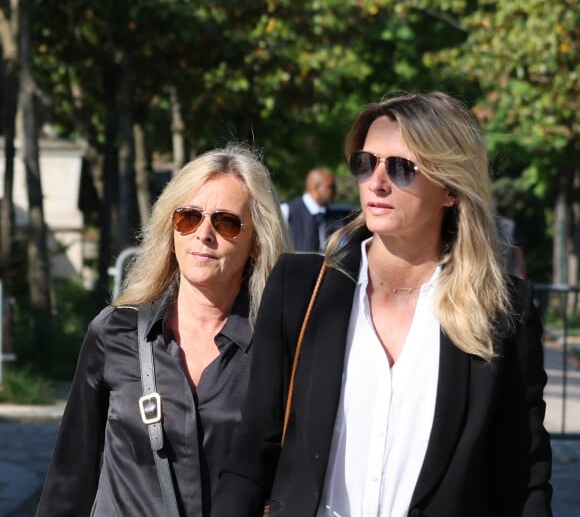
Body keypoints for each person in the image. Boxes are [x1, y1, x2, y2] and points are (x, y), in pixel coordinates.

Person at [213, 92, 553, 516]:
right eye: (365, 162)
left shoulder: (502, 311)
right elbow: (252, 453)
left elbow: (522, 480)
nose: (376, 181)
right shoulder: (302, 289)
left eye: (401, 167)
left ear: (450, 187)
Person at [36, 144, 291, 516]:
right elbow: (70, 478)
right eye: (189, 218)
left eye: (226, 222)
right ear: (171, 228)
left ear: (255, 243)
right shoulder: (114, 333)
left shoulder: (276, 348)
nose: (204, 234)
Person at [280, 167, 337, 252]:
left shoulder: (331, 216)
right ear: (316, 187)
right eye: (330, 187)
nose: (334, 191)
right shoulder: (287, 211)